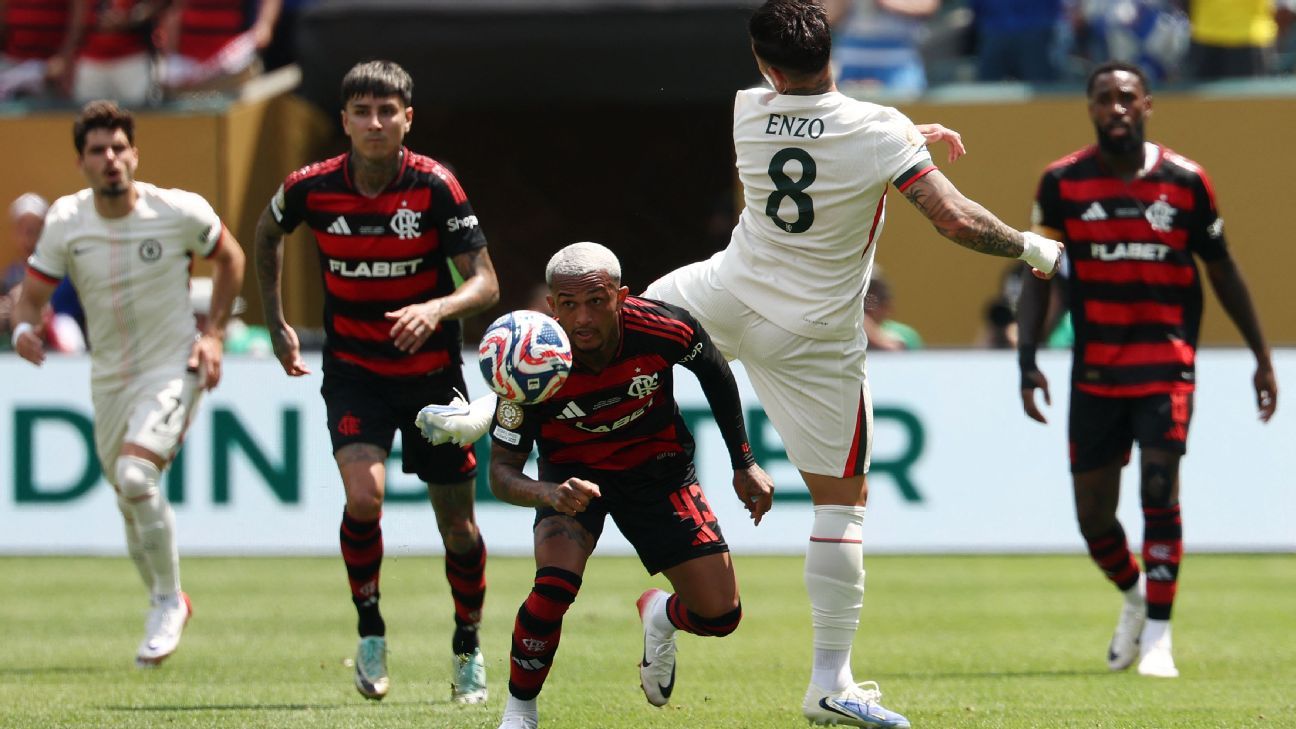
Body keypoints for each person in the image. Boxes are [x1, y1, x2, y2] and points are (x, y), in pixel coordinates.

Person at [639, 2, 1064, 725]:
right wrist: (1032, 247)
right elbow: (955, 218)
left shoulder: (747, 109)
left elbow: (819, 132)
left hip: (723, 293)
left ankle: (496, 406)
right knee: (839, 507)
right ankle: (828, 682)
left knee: (614, 322)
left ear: (762, 64)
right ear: (829, 49)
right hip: (811, 339)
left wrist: (901, 137)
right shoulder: (878, 128)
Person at [1016, 60, 1278, 679]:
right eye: (1104, 98)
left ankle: (1159, 635)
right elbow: (1041, 278)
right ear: (1090, 108)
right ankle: (1136, 597)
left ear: (1147, 105)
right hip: (1096, 370)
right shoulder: (1061, 183)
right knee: (1093, 517)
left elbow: (1223, 271)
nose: (1116, 108)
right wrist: (1027, 360)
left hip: (1165, 365)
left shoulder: (1187, 182)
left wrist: (1261, 357)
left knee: (1159, 491)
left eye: (1126, 97)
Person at [252, 59, 500, 703]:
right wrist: (276, 321)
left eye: (387, 111)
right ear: (344, 121)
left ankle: (467, 645)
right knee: (364, 499)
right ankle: (370, 632)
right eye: (362, 111)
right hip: (356, 373)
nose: (374, 122)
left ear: (406, 119)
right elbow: (266, 231)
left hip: (431, 379)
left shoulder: (435, 186)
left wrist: (437, 307)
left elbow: (486, 281)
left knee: (459, 529)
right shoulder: (312, 187)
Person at [458, 242, 774, 729]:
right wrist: (550, 494)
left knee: (720, 617)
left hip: (659, 473)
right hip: (572, 483)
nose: (582, 318)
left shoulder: (663, 326)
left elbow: (714, 370)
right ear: (551, 306)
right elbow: (501, 473)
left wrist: (744, 462)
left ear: (621, 297)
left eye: (596, 301)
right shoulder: (527, 362)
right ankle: (519, 712)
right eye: (568, 304)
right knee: (553, 589)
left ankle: (661, 616)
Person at [11, 99, 246, 666]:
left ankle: (167, 600)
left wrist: (212, 335)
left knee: (136, 473)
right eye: (98, 151)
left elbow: (232, 260)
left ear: (135, 154)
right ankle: (164, 596)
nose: (111, 158)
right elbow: (34, 292)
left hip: (172, 366)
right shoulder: (67, 221)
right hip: (108, 376)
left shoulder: (177, 210)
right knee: (127, 499)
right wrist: (23, 325)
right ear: (81, 162)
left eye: (119, 148)